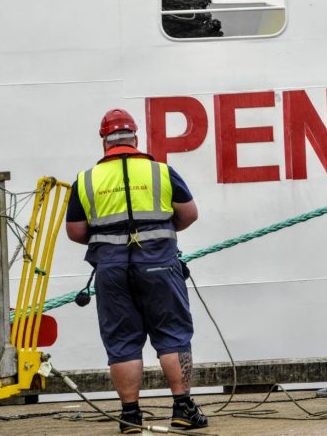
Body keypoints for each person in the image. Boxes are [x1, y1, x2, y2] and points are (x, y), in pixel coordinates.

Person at [65, 108, 208, 433]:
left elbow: (75, 232)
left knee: (122, 341)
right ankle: (183, 410)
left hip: (112, 272)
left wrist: (108, 238)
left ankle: (130, 417)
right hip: (160, 266)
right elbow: (189, 214)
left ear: (104, 141)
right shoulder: (161, 172)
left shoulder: (86, 180)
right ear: (135, 137)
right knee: (173, 335)